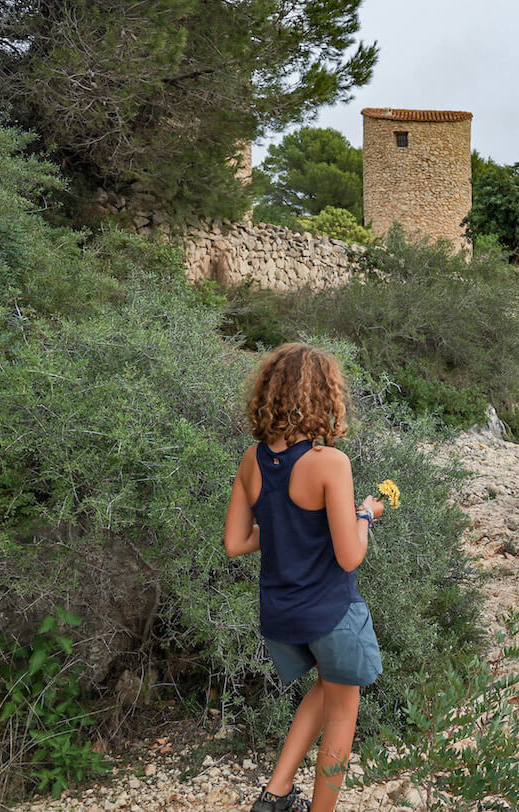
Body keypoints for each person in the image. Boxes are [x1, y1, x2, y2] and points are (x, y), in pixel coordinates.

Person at [223, 343, 385, 812]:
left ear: (268, 392)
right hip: (332, 612)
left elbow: (236, 542)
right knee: (342, 716)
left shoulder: (252, 460)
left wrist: (282, 526)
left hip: (282, 615)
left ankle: (274, 794)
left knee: (327, 687)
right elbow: (350, 557)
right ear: (323, 396)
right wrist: (365, 516)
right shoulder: (329, 462)